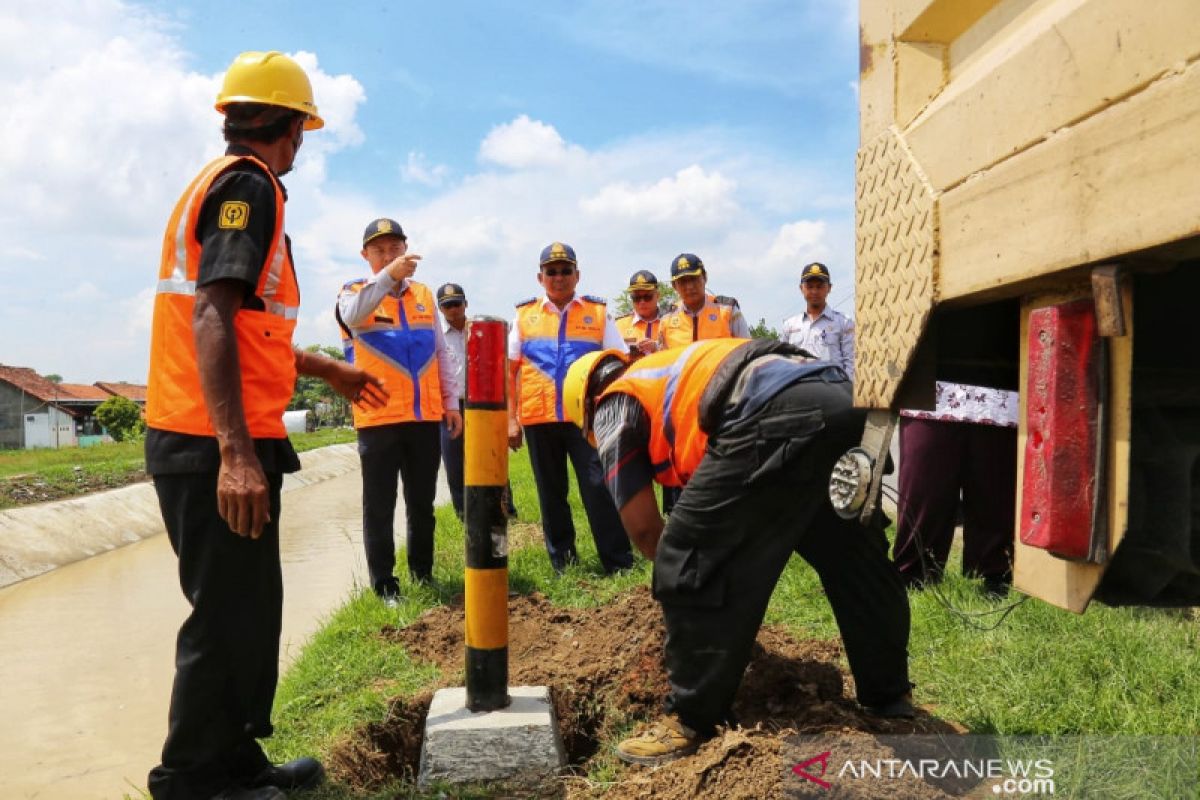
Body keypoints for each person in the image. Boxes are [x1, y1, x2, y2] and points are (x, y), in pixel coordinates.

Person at [145, 51, 389, 800]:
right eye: (303, 131)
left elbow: (259, 333)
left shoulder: (234, 187)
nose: (302, 145)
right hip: (207, 440)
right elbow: (212, 312)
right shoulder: (248, 186)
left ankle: (234, 760)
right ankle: (189, 778)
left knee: (249, 611)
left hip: (220, 434)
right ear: (292, 129)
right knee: (224, 617)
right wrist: (235, 455)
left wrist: (331, 373)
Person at [563, 338, 914, 765]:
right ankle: (888, 695)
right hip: (843, 398)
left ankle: (690, 718)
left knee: (684, 551)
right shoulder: (662, 371)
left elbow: (645, 532)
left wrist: (695, 584)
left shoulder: (614, 403)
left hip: (774, 410)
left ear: (584, 410)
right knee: (852, 557)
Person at [336, 219, 462, 602]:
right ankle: (385, 585)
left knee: (421, 503)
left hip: (424, 419)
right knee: (380, 506)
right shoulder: (354, 293)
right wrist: (388, 276)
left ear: (407, 248)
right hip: (378, 420)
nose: (389, 256)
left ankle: (422, 574)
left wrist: (450, 403)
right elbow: (353, 316)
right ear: (366, 256)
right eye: (380, 250)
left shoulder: (424, 295)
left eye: (395, 249)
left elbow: (440, 353)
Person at [507, 242, 634, 574]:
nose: (559, 277)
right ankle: (563, 562)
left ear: (577, 275)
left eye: (565, 271)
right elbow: (509, 371)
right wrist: (510, 420)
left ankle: (617, 562)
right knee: (551, 494)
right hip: (539, 417)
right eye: (552, 271)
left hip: (586, 420)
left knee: (598, 489)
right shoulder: (523, 315)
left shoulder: (598, 313)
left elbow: (619, 364)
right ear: (540, 277)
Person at [893, 382, 1018, 596]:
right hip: (929, 384)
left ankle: (996, 577)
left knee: (995, 493)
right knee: (923, 491)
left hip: (1000, 387)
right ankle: (914, 576)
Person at [435, 282, 517, 520]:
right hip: (451, 406)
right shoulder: (437, 337)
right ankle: (464, 513)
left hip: (483, 405)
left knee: (491, 456)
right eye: (447, 305)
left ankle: (505, 509)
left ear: (465, 304)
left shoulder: (480, 329)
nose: (453, 309)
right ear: (441, 309)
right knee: (455, 463)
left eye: (457, 303)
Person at [658, 253, 750, 349]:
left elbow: (748, 350)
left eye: (694, 279)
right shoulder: (666, 318)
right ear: (674, 286)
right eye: (683, 282)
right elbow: (663, 359)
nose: (689, 286)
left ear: (705, 277)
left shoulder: (728, 310)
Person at [781, 261, 855, 378]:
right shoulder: (790, 325)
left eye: (819, 286)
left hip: (833, 388)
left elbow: (851, 363)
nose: (814, 291)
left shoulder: (843, 322)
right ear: (801, 288)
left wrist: (845, 391)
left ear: (829, 288)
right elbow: (782, 362)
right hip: (798, 388)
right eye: (809, 287)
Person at [613, 270, 664, 361]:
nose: (642, 302)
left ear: (657, 295)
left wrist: (657, 348)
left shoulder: (669, 322)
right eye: (636, 298)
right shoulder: (618, 325)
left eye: (647, 297)